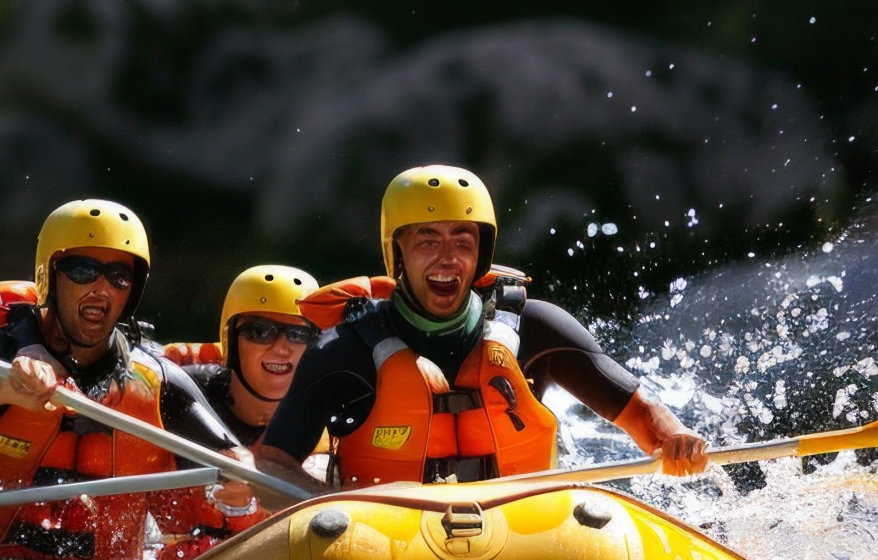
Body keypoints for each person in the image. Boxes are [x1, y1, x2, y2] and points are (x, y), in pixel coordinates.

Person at [252, 165, 707, 498]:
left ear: (481, 253)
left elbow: (643, 416)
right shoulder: (343, 350)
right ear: (399, 252)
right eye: (428, 240)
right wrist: (331, 507)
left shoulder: (537, 329)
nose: (447, 257)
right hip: (385, 541)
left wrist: (675, 440)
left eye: (462, 241)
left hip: (521, 529)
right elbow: (273, 464)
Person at [0, 199, 252, 560]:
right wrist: (1, 391)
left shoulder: (157, 380)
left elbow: (235, 457)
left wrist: (239, 479)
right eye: (84, 270)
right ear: (49, 277)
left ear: (132, 291)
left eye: (119, 276)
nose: (101, 288)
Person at [153, 265, 319, 560]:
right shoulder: (176, 388)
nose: (282, 347)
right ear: (231, 340)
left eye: (299, 334)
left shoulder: (327, 417)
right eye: (260, 331)